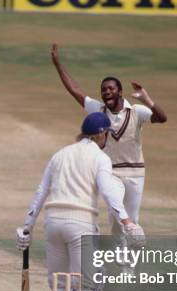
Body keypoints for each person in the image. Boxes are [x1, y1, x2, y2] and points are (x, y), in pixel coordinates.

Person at [15, 112, 145, 291]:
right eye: (106, 133)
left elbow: (41, 191)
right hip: (81, 224)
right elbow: (109, 193)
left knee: (61, 288)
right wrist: (127, 223)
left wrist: (27, 227)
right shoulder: (101, 158)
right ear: (100, 134)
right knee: (90, 285)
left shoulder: (60, 154)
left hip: (53, 225)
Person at [51, 43, 167, 238]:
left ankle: (127, 267)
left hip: (135, 173)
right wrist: (57, 64)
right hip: (110, 172)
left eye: (111, 89)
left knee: (131, 221)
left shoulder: (137, 111)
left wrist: (147, 100)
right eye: (103, 89)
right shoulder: (98, 110)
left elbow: (162, 118)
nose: (106, 92)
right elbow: (75, 90)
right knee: (117, 215)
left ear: (120, 91)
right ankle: (121, 262)